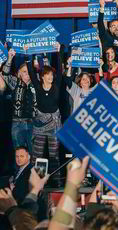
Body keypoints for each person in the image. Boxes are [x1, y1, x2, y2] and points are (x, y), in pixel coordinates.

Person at [27, 44, 63, 186]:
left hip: (54, 124)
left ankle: (56, 181)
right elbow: (30, 71)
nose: (51, 77)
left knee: (54, 156)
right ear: (42, 77)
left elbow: (60, 70)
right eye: (48, 75)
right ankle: (37, 182)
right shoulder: (37, 86)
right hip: (40, 125)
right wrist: (28, 53)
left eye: (51, 75)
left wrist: (58, 52)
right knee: (37, 156)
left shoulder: (57, 86)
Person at [2, 49, 36, 153]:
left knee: (33, 153)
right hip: (17, 123)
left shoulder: (36, 83)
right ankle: (20, 170)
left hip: (33, 123)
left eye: (29, 71)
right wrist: (10, 58)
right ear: (19, 73)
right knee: (19, 153)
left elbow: (47, 73)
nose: (27, 74)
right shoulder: (15, 83)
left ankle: (32, 170)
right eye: (24, 72)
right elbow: (5, 74)